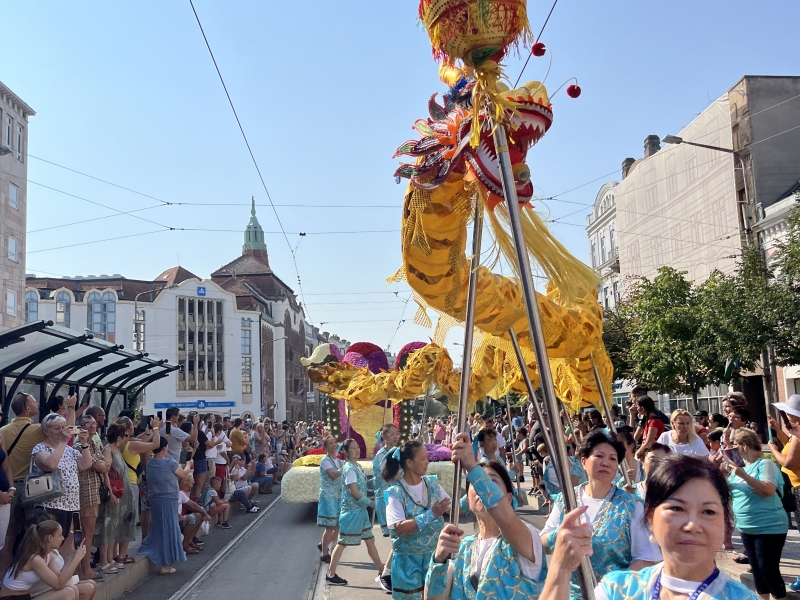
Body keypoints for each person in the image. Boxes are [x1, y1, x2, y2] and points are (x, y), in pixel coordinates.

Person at [540, 453, 759, 600]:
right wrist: (561, 567)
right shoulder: (618, 590)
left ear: (726, 524)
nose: (692, 525)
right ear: (650, 518)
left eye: (708, 512)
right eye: (677, 508)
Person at [540, 431, 660, 598]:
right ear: (583, 461)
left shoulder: (632, 505)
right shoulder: (566, 499)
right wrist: (560, 535)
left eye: (612, 458)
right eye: (599, 456)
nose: (605, 462)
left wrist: (610, 589)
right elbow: (543, 542)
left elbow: (645, 559)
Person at [426, 433, 546, 599]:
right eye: (474, 484)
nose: (480, 487)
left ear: (509, 498)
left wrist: (472, 467)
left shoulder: (528, 540)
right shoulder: (461, 548)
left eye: (492, 481)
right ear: (467, 500)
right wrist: (438, 561)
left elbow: (508, 520)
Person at [724, 428, 788, 600]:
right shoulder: (739, 469)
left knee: (767, 568)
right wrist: (721, 474)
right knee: (757, 569)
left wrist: (744, 476)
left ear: (744, 446)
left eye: (735, 445)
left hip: (769, 526)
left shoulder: (765, 464)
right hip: (747, 528)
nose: (732, 449)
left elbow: (767, 490)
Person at [383, 441, 449, 600]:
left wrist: (476, 493)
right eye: (423, 458)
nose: (427, 461)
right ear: (409, 463)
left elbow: (454, 507)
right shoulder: (395, 493)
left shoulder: (432, 485)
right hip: (407, 564)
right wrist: (431, 514)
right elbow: (399, 527)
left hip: (434, 559)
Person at [325, 438, 385, 587]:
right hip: (351, 513)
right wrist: (370, 503)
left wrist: (378, 480)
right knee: (342, 543)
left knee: (370, 541)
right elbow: (354, 491)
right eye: (353, 448)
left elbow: (362, 485)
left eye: (357, 447)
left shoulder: (356, 466)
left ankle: (382, 571)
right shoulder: (350, 469)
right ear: (345, 452)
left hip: (360, 512)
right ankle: (330, 574)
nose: (357, 450)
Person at [31, 415, 93, 552]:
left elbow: (86, 464)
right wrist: (64, 441)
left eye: (63, 427)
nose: (61, 431)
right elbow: (50, 464)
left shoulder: (69, 450)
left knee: (66, 540)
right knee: (48, 544)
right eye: (57, 428)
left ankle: (61, 571)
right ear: (46, 431)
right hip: (50, 505)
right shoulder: (40, 448)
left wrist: (84, 444)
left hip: (71, 504)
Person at [137, 437, 191, 575]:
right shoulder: (170, 462)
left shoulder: (149, 463)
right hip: (168, 499)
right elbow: (183, 474)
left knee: (159, 528)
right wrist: (189, 465)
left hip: (155, 500)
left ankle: (163, 561)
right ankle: (165, 564)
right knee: (169, 529)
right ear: (165, 448)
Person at [0, 521, 87, 600]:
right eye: (60, 535)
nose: (63, 538)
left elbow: (61, 577)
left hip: (25, 596)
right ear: (50, 538)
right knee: (68, 593)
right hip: (11, 598)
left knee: (73, 590)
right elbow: (59, 585)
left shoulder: (48, 555)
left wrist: (72, 555)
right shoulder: (35, 559)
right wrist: (77, 558)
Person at [95, 424, 136, 575]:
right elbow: (106, 472)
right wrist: (110, 492)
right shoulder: (108, 450)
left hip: (122, 495)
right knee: (108, 526)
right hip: (114, 493)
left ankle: (110, 558)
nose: (127, 438)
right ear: (119, 437)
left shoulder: (117, 450)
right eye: (125, 435)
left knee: (115, 526)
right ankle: (104, 561)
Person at [317, 437, 343, 564]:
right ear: (326, 447)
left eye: (335, 442)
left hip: (338, 496)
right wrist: (345, 468)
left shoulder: (339, 461)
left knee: (337, 526)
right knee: (330, 526)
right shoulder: (325, 461)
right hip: (328, 496)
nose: (334, 445)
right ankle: (324, 553)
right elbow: (332, 475)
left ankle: (326, 545)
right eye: (330, 443)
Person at [373, 424, 401, 539]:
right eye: (391, 434)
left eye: (397, 433)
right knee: (397, 535)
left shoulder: (398, 452)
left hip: (398, 495)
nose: (395, 437)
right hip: (386, 498)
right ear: (384, 437)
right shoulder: (381, 455)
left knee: (400, 536)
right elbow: (389, 475)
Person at [176, 475, 208, 556]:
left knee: (199, 515)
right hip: (174, 520)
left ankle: (190, 541)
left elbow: (193, 505)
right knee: (191, 518)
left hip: (179, 518)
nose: (194, 482)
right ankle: (185, 546)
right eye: (191, 480)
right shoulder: (179, 492)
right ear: (185, 482)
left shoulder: (182, 493)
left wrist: (205, 514)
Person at [0, 403, 16, 554]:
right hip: (1, 496)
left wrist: (11, 487)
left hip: (5, 495)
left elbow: (6, 464)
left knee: (1, 541)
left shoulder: (0, 436)